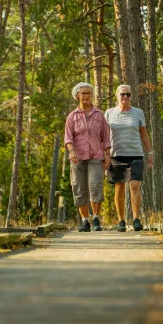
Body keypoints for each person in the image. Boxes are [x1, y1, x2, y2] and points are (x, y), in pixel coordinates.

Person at [104, 84, 154, 232]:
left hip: (136, 154)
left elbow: (144, 134)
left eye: (128, 94)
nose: (125, 97)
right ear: (117, 95)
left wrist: (150, 153)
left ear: (131, 96)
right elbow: (105, 136)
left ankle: (136, 219)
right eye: (122, 94)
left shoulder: (138, 113)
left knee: (135, 186)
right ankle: (121, 221)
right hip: (117, 155)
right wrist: (105, 154)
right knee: (119, 188)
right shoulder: (109, 113)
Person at [64, 82, 111, 232]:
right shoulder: (72, 117)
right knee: (79, 187)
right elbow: (68, 138)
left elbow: (106, 136)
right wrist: (72, 151)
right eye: (83, 93)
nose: (86, 96)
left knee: (95, 185)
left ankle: (96, 218)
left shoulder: (99, 115)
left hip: (96, 156)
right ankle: (85, 221)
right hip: (77, 157)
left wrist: (108, 154)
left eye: (88, 93)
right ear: (77, 95)